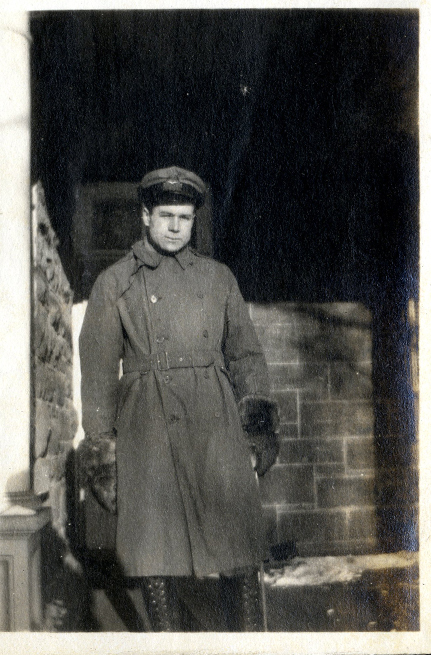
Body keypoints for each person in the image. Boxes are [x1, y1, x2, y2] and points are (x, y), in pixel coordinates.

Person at [78, 166, 279, 631]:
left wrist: (255, 428)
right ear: (145, 215)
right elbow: (99, 375)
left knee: (239, 547)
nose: (174, 226)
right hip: (146, 425)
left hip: (215, 421)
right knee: (154, 550)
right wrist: (103, 446)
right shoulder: (115, 284)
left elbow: (246, 354)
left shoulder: (217, 278)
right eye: (165, 215)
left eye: (184, 217)